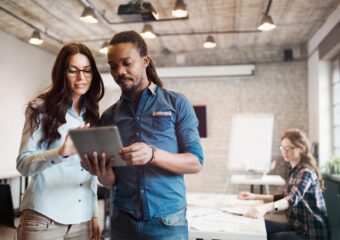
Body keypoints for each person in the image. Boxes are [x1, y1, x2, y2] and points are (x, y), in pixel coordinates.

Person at [81, 30, 204, 240]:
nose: (119, 71)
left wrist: (153, 154)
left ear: (145, 61)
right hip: (122, 221)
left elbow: (195, 162)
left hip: (168, 223)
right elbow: (110, 182)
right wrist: (100, 170)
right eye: (113, 65)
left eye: (127, 63)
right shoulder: (109, 116)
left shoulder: (177, 104)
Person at [16, 43, 104, 240]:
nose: (81, 77)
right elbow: (23, 164)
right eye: (73, 70)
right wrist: (60, 153)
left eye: (87, 71)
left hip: (82, 222)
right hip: (44, 220)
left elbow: (88, 173)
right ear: (61, 73)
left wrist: (94, 214)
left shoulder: (91, 113)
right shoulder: (40, 108)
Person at [238, 129, 329, 240]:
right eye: (282, 147)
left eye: (289, 148)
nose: (284, 151)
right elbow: (285, 196)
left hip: (311, 233)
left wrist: (265, 208)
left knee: (274, 237)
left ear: (301, 149)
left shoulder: (306, 172)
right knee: (260, 225)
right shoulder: (293, 170)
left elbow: (292, 198)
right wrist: (254, 196)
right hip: (296, 226)